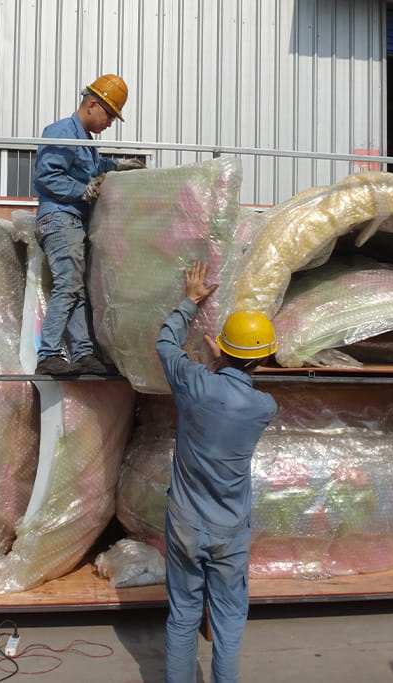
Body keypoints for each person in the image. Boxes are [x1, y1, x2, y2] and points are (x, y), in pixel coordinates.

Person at [156, 261, 279, 683]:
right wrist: (223, 363)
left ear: (221, 347)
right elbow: (234, 387)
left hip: (187, 524)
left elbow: (165, 345)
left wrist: (190, 302)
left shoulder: (193, 383)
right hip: (231, 530)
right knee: (228, 622)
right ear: (263, 359)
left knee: (184, 615)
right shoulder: (264, 408)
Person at [32, 73, 145, 376]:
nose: (110, 122)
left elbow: (93, 167)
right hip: (59, 218)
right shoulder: (61, 132)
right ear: (93, 105)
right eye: (110, 115)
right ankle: (48, 355)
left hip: (71, 221)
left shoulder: (83, 140)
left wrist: (120, 166)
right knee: (67, 285)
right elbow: (47, 176)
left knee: (76, 289)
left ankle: (82, 352)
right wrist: (81, 191)